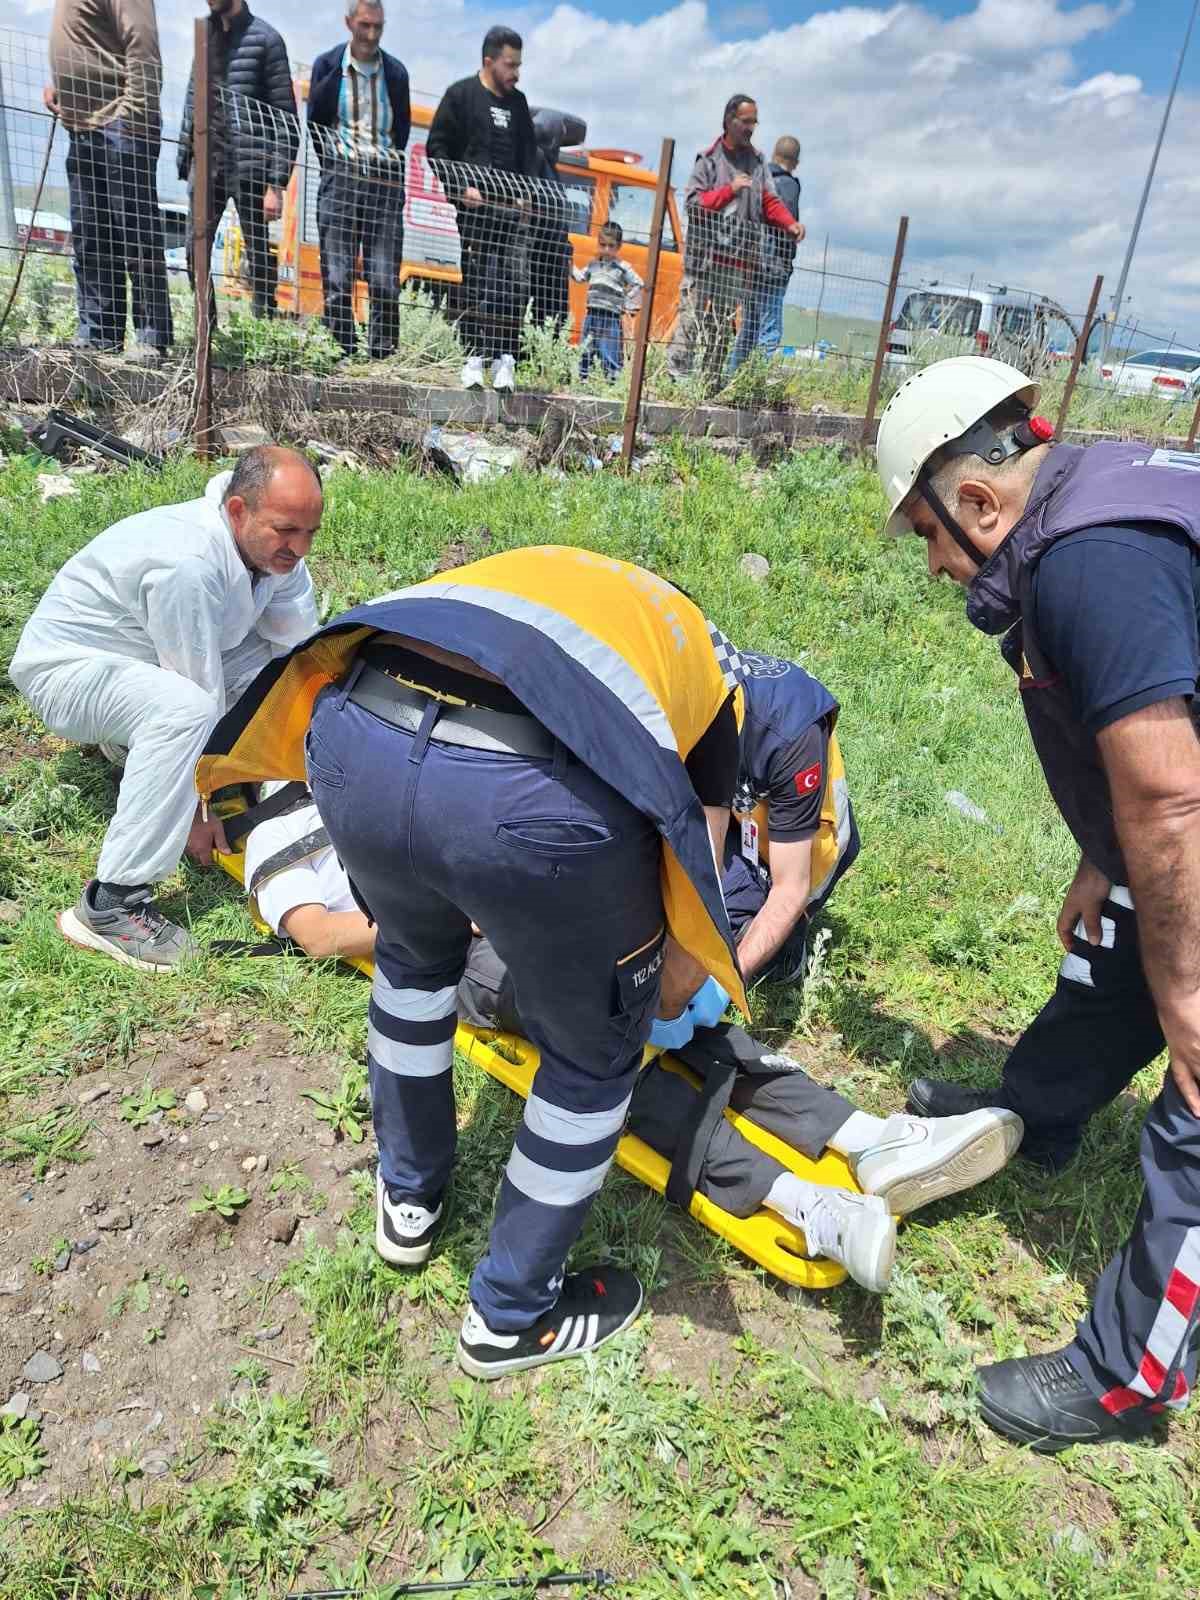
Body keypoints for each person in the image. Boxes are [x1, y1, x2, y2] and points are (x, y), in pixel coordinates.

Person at [197, 547, 760, 1379]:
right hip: (525, 795)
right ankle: (510, 1316)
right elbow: (698, 849)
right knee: (592, 1058)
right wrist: (654, 982)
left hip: (358, 740)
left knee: (413, 962)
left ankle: (409, 1199)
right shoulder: (705, 667)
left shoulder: (546, 575)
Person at [234, 791, 1023, 1293]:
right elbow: (317, 933)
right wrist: (434, 916)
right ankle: (808, 1205)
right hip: (460, 954)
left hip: (506, 919)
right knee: (609, 1059)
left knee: (680, 1017)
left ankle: (869, 1138)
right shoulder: (275, 835)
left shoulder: (373, 773)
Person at [876, 352, 1200, 1452]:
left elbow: (1168, 791)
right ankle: (1040, 1111)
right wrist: (1105, 858)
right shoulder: (1090, 499)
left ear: (976, 497)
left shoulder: (1088, 562)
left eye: (928, 532)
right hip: (1176, 809)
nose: (933, 564)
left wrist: (1192, 994)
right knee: (1122, 945)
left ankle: (1125, 1378)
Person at [9, 447, 322, 972]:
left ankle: (135, 745)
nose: (300, 547)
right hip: (67, 673)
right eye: (287, 530)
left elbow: (300, 653)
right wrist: (198, 813)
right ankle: (112, 905)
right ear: (239, 510)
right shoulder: (188, 564)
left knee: (274, 668)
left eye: (311, 531)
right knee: (185, 711)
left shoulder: (275, 551)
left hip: (141, 661)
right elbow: (193, 687)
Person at [47, 0, 173, 362]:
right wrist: (60, 86)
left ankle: (151, 336)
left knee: (136, 236)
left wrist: (132, 117)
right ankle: (98, 332)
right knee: (91, 236)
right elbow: (85, 40)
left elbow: (143, 45)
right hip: (83, 125)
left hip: (120, 127)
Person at [727, 650, 859, 985]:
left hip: (801, 847)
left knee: (724, 931)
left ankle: (784, 948)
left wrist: (725, 981)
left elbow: (791, 888)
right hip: (742, 814)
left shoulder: (788, 736)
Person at [426, 25, 540, 393]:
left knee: (513, 288)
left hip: (512, 215)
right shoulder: (460, 96)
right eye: (510, 64)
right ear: (488, 61)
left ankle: (505, 360)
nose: (516, 73)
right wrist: (461, 188)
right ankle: (473, 357)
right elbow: (437, 148)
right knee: (479, 283)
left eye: (519, 65)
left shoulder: (519, 104)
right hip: (477, 215)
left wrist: (527, 194)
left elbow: (530, 157)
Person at [667, 95, 802, 392]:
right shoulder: (709, 160)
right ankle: (675, 385)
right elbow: (693, 203)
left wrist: (788, 223)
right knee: (691, 322)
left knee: (721, 331)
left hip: (737, 265)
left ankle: (710, 387)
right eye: (746, 121)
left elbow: (769, 200)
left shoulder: (757, 162)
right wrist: (729, 190)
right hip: (705, 261)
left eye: (754, 122)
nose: (751, 127)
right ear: (729, 120)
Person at [179, 0, 299, 322]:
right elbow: (193, 96)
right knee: (195, 251)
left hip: (251, 169)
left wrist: (276, 184)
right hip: (206, 165)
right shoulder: (205, 33)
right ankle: (208, 332)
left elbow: (286, 118)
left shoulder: (266, 40)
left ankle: (263, 331)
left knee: (258, 258)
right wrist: (185, 154)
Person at [308, 1, 411, 361]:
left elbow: (402, 130)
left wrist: (389, 170)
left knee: (383, 278)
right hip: (342, 176)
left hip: (384, 179)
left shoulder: (396, 73)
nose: (371, 34)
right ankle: (342, 351)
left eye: (378, 27)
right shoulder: (326, 65)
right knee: (337, 274)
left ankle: (382, 356)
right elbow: (316, 124)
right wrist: (335, 163)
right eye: (365, 25)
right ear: (349, 22)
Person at [573, 221, 642, 381]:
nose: (607, 250)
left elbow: (639, 283)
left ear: (619, 246)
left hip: (611, 316)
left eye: (611, 246)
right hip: (592, 313)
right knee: (586, 348)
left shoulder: (623, 267)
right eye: (603, 245)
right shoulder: (593, 265)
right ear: (598, 243)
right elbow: (580, 277)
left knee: (609, 350)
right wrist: (568, 262)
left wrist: (628, 303)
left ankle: (612, 381)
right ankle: (583, 379)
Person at [526, 108, 573, 336]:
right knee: (543, 313)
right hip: (541, 257)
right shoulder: (536, 160)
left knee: (553, 316)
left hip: (553, 257)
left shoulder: (549, 167)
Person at [755, 135, 801, 359]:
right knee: (770, 333)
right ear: (796, 162)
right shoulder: (788, 185)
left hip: (750, 262)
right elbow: (788, 226)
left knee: (748, 330)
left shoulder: (757, 178)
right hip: (774, 267)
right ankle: (755, 384)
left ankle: (733, 379)